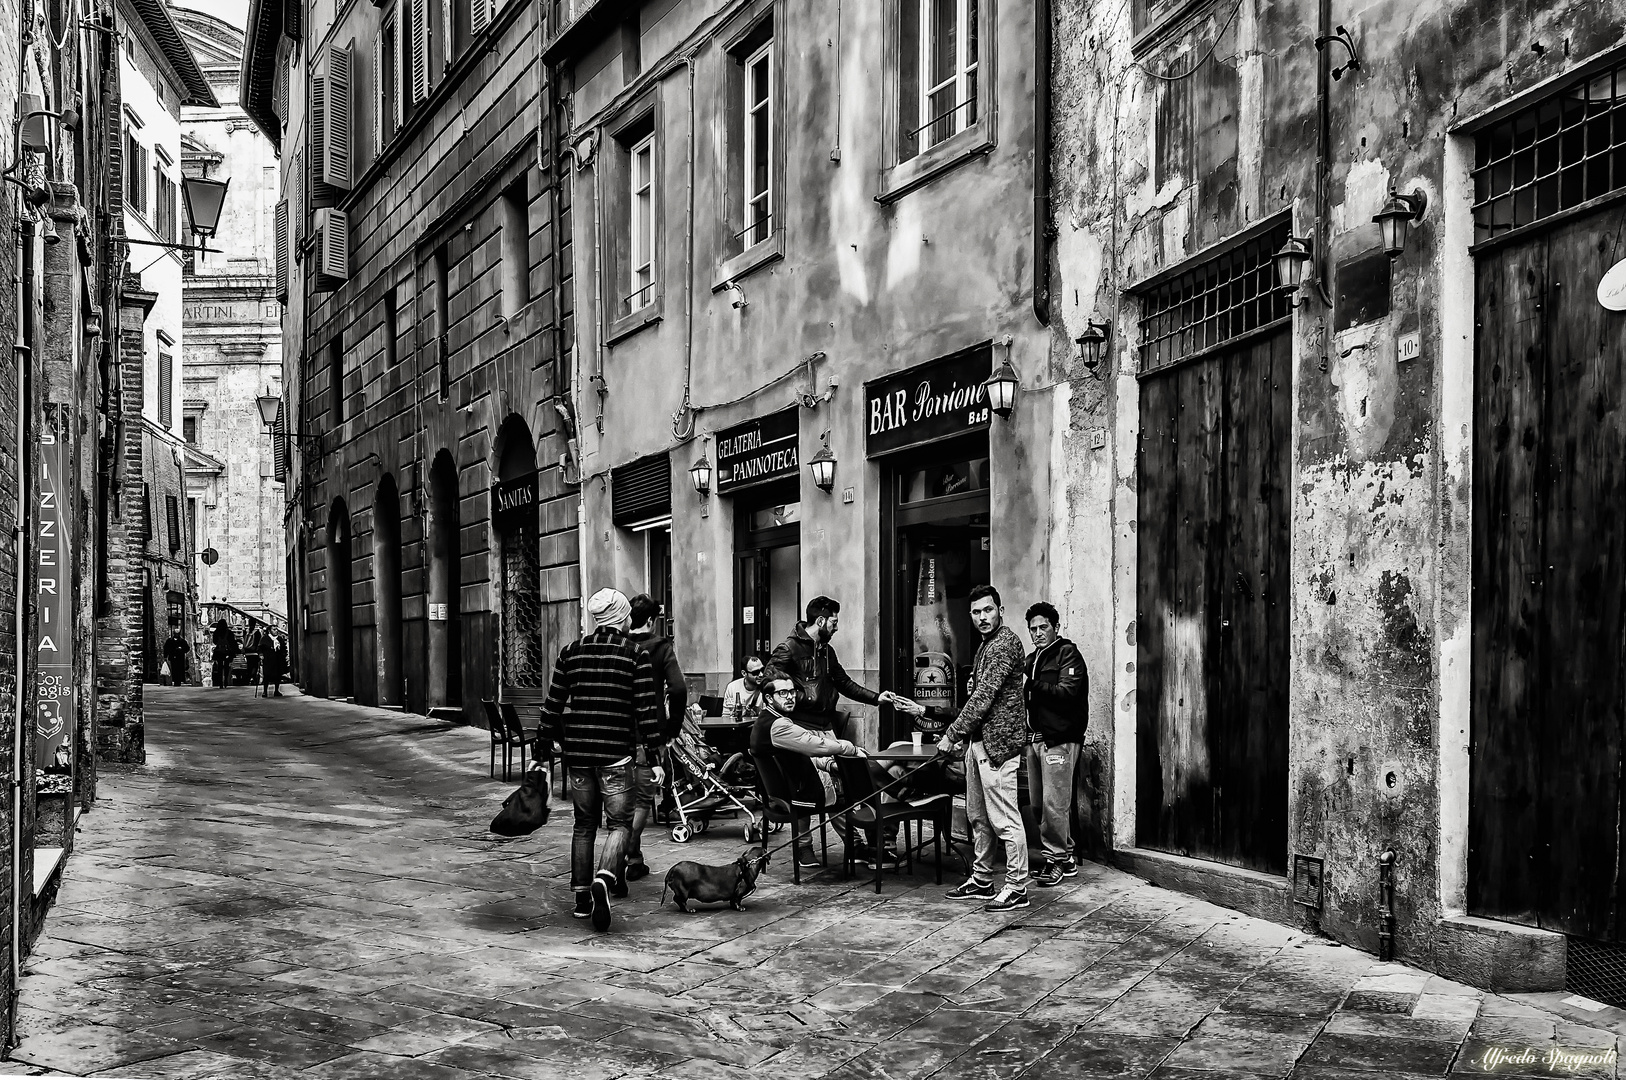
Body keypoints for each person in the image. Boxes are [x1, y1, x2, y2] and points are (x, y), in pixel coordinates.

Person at [538, 588, 664, 932]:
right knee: (619, 824)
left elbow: (552, 706)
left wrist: (540, 753)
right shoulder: (635, 654)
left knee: (583, 825)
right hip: (615, 754)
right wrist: (654, 757)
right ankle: (606, 877)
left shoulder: (570, 652)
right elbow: (645, 712)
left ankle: (581, 898)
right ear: (621, 617)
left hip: (578, 755)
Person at [939, 585, 1031, 912]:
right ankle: (981, 878)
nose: (982, 617)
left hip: (999, 746)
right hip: (979, 742)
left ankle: (1018, 886)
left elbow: (983, 697)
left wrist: (952, 733)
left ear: (1000, 610)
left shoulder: (1004, 644)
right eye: (976, 612)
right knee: (978, 816)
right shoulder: (985, 646)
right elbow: (981, 688)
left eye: (988, 610)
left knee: (1004, 818)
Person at [752, 675, 902, 868]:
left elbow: (802, 754)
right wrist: (849, 747)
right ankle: (877, 849)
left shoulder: (769, 720)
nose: (790, 697)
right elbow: (813, 744)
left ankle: (862, 843)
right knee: (864, 782)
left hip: (788, 790)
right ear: (769, 698)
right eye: (782, 693)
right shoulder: (778, 725)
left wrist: (830, 765)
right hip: (800, 793)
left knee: (862, 773)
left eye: (791, 692)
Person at [769, 595, 907, 744]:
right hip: (801, 726)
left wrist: (876, 698)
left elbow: (844, 683)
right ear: (820, 621)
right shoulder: (789, 648)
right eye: (833, 623)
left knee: (840, 763)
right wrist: (803, 697)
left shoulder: (827, 651)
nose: (836, 628)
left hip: (826, 726)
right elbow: (768, 682)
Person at [1023, 602, 1088, 887]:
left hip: (1059, 740)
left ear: (1056, 627)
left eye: (1043, 628)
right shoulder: (1031, 658)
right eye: (1033, 629)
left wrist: (1031, 684)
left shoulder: (1067, 654)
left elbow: (1067, 693)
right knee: (1039, 805)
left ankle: (1056, 860)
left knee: (1054, 803)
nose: (1037, 633)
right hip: (1034, 739)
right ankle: (1068, 857)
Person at [625, 593, 687, 882]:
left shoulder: (620, 644)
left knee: (623, 799)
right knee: (641, 802)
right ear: (652, 620)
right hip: (650, 734)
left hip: (618, 733)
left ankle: (633, 858)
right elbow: (677, 689)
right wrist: (673, 730)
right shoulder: (661, 647)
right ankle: (622, 854)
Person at [722, 655, 768, 724]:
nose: (761, 674)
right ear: (744, 673)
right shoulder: (732, 687)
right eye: (755, 672)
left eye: (762, 670)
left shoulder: (767, 687)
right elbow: (725, 716)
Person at [210, 621, 238, 688]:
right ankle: (226, 680)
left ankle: (220, 682)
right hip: (227, 651)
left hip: (219, 651)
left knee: (219, 667)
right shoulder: (229, 632)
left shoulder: (216, 632)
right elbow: (232, 642)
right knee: (226, 666)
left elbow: (214, 641)